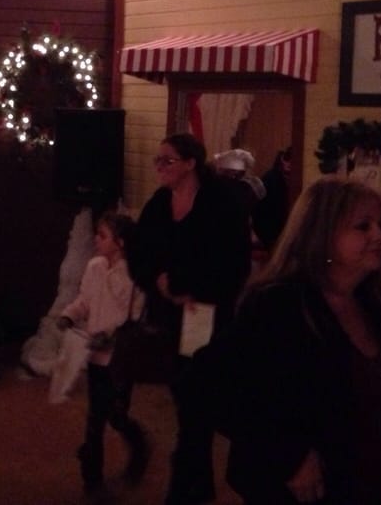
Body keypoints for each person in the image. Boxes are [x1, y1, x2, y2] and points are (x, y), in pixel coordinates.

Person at [215, 178, 381, 505]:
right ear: (323, 234)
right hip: (300, 491)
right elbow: (221, 391)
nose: (380, 235)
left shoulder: (369, 301)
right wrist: (289, 455)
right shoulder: (279, 304)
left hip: (364, 482)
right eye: (363, 226)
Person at [130, 133, 252, 505]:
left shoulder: (222, 203)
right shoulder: (158, 204)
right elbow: (139, 254)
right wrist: (159, 282)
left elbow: (233, 264)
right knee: (188, 401)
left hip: (207, 315)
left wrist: (188, 286)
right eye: (158, 160)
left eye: (167, 160)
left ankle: (183, 488)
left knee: (195, 399)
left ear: (190, 163)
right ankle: (199, 484)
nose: (159, 166)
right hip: (167, 315)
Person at [57, 211, 150, 495]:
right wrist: (70, 315)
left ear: (120, 242)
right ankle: (92, 479)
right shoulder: (94, 266)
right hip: (96, 357)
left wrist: (110, 336)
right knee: (95, 419)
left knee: (116, 415)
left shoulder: (133, 275)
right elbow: (85, 300)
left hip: (120, 358)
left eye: (102, 236)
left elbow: (135, 315)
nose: (96, 240)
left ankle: (139, 446)